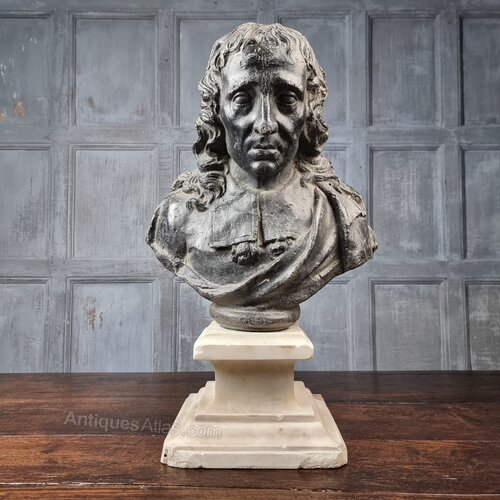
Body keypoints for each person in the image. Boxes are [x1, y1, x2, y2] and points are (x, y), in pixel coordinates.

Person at [147, 22, 377, 330]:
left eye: (287, 99)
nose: (265, 124)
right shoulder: (179, 217)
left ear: (309, 109)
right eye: (243, 100)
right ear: (217, 109)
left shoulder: (341, 218)